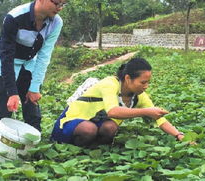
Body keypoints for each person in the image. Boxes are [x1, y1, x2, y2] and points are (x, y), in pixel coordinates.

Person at [0, 0, 68, 143]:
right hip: (5, 63)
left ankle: (34, 148)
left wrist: (35, 87)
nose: (59, 8)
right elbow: (5, 55)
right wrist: (12, 92)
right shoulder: (14, 17)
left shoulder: (56, 23)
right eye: (56, 3)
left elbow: (44, 55)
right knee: (3, 109)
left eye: (63, 4)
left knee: (32, 107)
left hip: (29, 63)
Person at [51, 58, 185, 146]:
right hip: (71, 121)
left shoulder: (139, 95)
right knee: (88, 129)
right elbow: (113, 111)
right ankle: (70, 149)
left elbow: (159, 119)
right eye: (143, 82)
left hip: (95, 122)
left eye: (148, 82)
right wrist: (145, 112)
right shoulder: (109, 84)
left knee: (111, 127)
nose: (146, 86)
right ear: (128, 78)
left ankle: (94, 151)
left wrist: (178, 135)